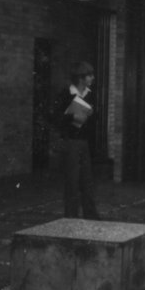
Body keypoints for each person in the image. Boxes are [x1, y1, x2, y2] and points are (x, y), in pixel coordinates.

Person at [55, 60, 100, 220]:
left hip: (84, 142)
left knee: (87, 181)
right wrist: (72, 116)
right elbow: (56, 118)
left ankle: (90, 214)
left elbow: (93, 121)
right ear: (81, 78)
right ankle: (71, 217)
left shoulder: (90, 94)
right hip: (71, 142)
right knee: (72, 181)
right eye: (90, 76)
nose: (92, 78)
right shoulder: (66, 94)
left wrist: (91, 115)